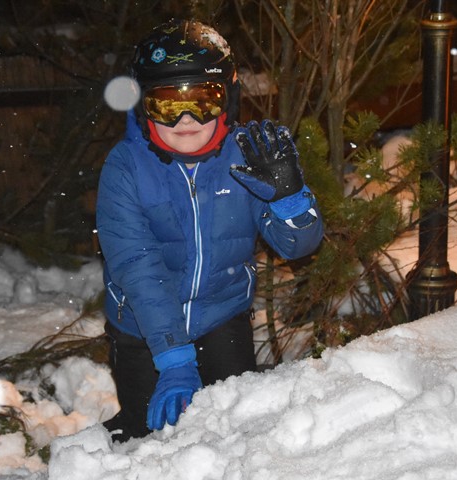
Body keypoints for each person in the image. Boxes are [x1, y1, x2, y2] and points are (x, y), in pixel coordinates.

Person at [96, 19, 324, 441]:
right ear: (143, 107)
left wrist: (290, 201)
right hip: (144, 328)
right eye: (168, 104)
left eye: (203, 100)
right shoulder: (125, 168)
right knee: (148, 438)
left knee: (233, 429)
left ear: (228, 101)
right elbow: (137, 266)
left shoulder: (247, 157)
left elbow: (297, 248)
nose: (186, 119)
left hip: (222, 317)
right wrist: (173, 357)